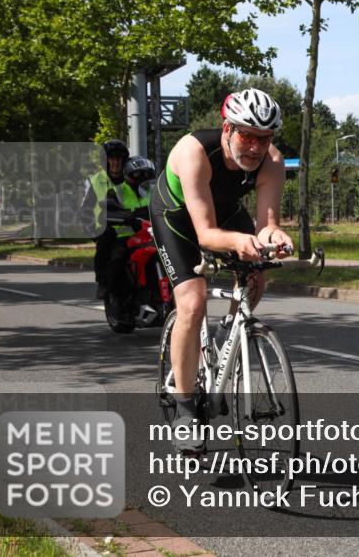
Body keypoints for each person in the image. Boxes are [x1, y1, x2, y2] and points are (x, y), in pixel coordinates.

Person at [149, 88, 293, 453]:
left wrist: (274, 235)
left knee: (257, 272)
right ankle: (185, 411)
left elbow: (267, 223)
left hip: (225, 211)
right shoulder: (192, 151)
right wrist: (238, 243)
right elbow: (207, 235)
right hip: (178, 217)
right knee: (192, 303)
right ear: (226, 128)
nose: (256, 147)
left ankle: (231, 333)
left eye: (265, 138)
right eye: (247, 135)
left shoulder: (272, 161)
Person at [103, 156, 155, 310]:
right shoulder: (117, 191)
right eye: (138, 174)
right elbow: (108, 210)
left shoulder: (156, 190)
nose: (142, 178)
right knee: (118, 259)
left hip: (154, 234)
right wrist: (127, 217)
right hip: (128, 236)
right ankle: (116, 299)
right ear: (128, 174)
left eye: (146, 174)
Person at [79, 140, 128, 299]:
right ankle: (103, 282)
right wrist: (94, 232)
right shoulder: (94, 180)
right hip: (107, 230)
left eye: (119, 159)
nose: (115, 162)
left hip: (133, 227)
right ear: (105, 160)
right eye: (112, 158)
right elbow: (85, 210)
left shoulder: (132, 178)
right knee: (110, 252)